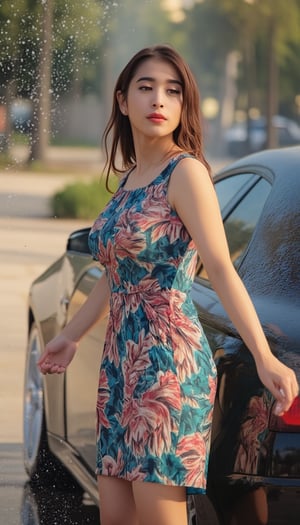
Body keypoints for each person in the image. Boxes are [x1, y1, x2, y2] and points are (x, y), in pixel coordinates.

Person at [38, 45, 298, 525]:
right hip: (119, 366)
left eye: (172, 90)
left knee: (159, 517)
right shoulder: (132, 179)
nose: (159, 99)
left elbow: (220, 268)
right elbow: (117, 277)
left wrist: (264, 357)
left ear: (183, 105)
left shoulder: (187, 173)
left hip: (166, 367)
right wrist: (70, 336)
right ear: (121, 101)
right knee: (116, 517)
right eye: (146, 87)